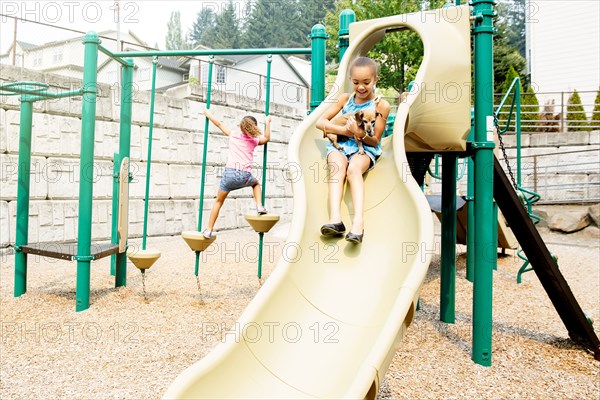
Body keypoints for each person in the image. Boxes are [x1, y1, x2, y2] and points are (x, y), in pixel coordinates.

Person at [315, 56, 391, 244]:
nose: (361, 87)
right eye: (356, 82)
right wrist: (345, 131)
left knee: (354, 168)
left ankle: (358, 223)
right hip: (342, 142)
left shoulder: (380, 105)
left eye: (367, 82)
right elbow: (320, 122)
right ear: (350, 80)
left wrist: (360, 134)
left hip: (365, 147)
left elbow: (375, 141)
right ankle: (335, 219)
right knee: (336, 165)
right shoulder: (344, 100)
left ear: (375, 80)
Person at [201, 108, 271, 239]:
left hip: (229, 176)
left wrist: (208, 114)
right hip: (244, 176)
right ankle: (259, 206)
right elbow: (267, 138)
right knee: (256, 184)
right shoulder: (254, 141)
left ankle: (209, 230)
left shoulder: (233, 135)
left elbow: (219, 124)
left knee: (218, 202)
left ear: (241, 126)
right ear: (253, 128)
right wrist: (268, 122)